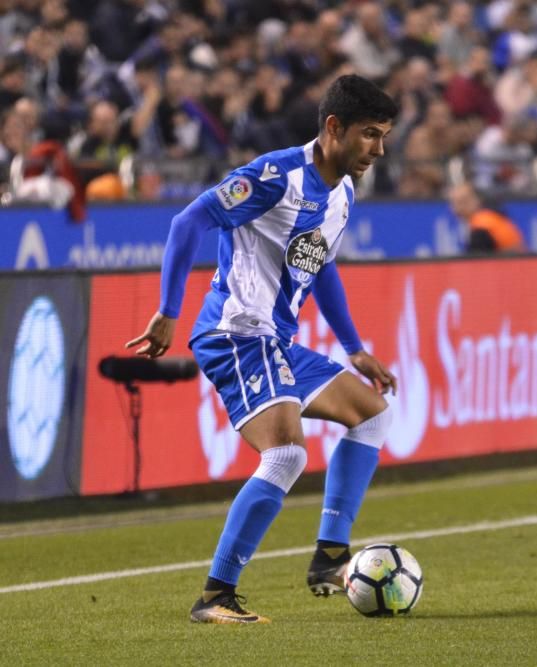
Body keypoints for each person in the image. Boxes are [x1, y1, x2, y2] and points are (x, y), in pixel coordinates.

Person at [126, 74, 400, 624]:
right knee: (287, 454)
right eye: (369, 135)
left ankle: (329, 557)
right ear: (333, 128)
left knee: (371, 417)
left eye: (384, 136)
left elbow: (317, 264)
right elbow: (189, 221)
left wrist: (354, 347)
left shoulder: (343, 190)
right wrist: (168, 310)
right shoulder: (276, 176)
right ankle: (215, 595)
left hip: (275, 341)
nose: (379, 149)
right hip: (236, 333)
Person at [448, 182, 525, 253]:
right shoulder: (488, 217)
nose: (458, 208)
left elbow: (477, 262)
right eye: (454, 203)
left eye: (463, 202)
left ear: (476, 200)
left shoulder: (482, 226)